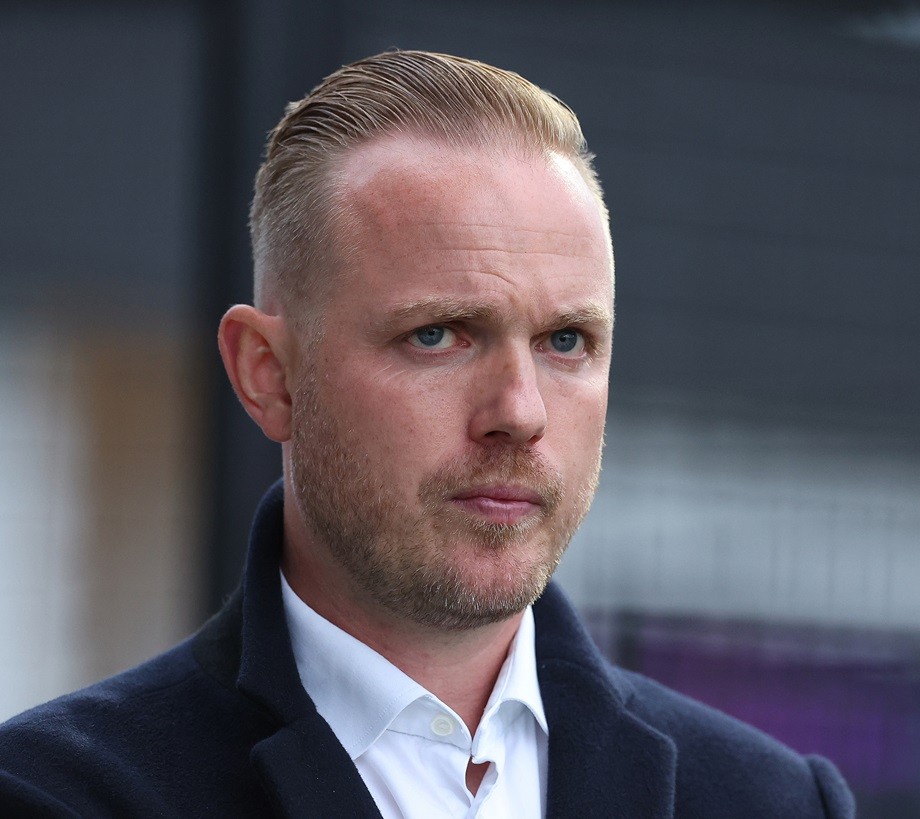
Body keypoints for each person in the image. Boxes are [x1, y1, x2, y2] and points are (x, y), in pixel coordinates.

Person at [0, 50, 854, 818]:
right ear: (268, 372)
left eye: (566, 341)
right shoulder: (61, 792)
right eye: (439, 334)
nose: (520, 411)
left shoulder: (771, 799)